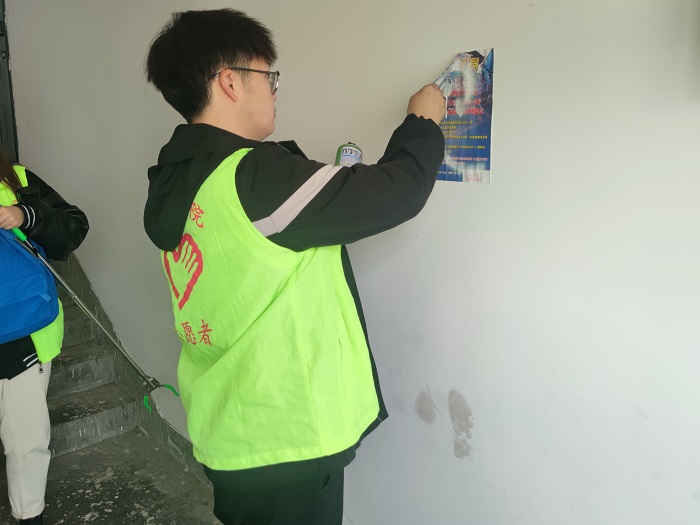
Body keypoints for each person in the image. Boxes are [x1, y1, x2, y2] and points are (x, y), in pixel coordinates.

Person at [144, 8, 445, 525]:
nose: (274, 90)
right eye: (269, 77)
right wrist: (423, 122)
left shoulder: (179, 179)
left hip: (230, 428)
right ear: (230, 82)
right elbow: (399, 191)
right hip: (286, 437)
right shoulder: (253, 177)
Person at [0, 148, 89, 524]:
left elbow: (73, 227)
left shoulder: (16, 179)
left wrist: (23, 215)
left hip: (24, 332)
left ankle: (28, 515)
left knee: (25, 441)